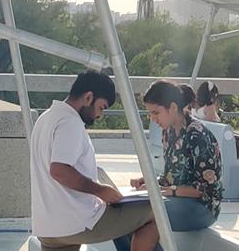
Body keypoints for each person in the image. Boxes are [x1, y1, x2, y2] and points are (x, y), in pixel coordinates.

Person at [30, 70, 158, 251]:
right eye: (102, 107)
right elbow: (59, 170)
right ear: (88, 97)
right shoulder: (70, 122)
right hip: (76, 222)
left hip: (48, 227)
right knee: (156, 212)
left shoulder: (45, 118)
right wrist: (100, 190)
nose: (100, 115)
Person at [128, 80, 223, 234]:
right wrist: (151, 182)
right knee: (125, 213)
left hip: (202, 207)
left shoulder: (197, 135)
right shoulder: (168, 131)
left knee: (148, 214)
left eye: (156, 113)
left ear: (172, 107)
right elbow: (172, 176)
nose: (153, 119)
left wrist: (169, 191)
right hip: (177, 199)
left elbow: (205, 189)